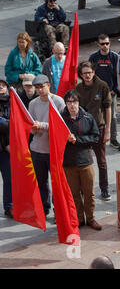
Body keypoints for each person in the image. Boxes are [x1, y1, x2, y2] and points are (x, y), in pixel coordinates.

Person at [62, 90, 102, 230]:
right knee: (74, 194)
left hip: (86, 161)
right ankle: (79, 219)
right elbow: (54, 138)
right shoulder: (60, 119)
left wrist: (77, 140)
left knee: (89, 193)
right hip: (68, 163)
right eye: (69, 102)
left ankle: (91, 218)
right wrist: (65, 139)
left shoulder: (87, 117)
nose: (72, 105)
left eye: (75, 102)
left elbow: (95, 137)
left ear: (79, 102)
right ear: (66, 103)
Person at [28, 74, 65, 216]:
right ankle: (44, 207)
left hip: (53, 149)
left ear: (48, 85)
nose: (39, 90)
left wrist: (41, 125)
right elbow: (30, 124)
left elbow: (61, 125)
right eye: (36, 88)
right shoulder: (33, 103)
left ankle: (58, 210)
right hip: (37, 148)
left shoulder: (58, 101)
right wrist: (33, 128)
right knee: (41, 182)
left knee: (57, 182)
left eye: (41, 87)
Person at [75, 61, 112, 201]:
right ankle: (84, 190)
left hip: (99, 128)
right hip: (84, 129)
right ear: (81, 75)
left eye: (89, 72)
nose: (87, 75)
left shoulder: (102, 86)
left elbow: (108, 108)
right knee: (82, 161)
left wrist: (108, 130)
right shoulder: (78, 88)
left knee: (101, 161)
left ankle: (104, 188)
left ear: (93, 72)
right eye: (84, 73)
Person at [89, 34, 120, 149]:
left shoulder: (115, 57)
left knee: (112, 115)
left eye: (107, 43)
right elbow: (89, 73)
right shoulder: (93, 57)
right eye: (102, 44)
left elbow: (118, 74)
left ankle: (113, 138)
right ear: (98, 44)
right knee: (96, 114)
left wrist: (116, 90)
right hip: (97, 92)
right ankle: (95, 138)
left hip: (110, 92)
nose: (105, 46)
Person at [0, 76, 12, 218]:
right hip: (4, 144)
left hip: (7, 148)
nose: (0, 87)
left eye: (3, 84)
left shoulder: (13, 102)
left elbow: (15, 124)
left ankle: (9, 206)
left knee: (9, 179)